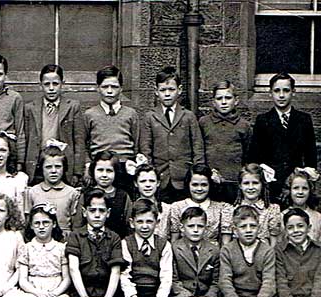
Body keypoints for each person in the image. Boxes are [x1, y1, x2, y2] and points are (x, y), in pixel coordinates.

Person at [139, 66, 205, 203]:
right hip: (160, 178)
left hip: (184, 178)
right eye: (163, 90)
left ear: (179, 90)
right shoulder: (150, 117)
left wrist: (196, 175)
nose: (167, 94)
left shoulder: (188, 116)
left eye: (171, 89)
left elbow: (197, 147)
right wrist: (151, 176)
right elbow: (146, 149)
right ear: (156, 91)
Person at [250, 73, 317, 201]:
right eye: (276, 91)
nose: (281, 95)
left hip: (296, 183)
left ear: (293, 92)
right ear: (270, 93)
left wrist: (308, 174)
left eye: (286, 90)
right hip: (271, 183)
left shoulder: (303, 119)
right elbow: (254, 155)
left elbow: (310, 154)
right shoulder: (263, 120)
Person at [83, 65, 139, 194]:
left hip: (125, 168)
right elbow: (83, 144)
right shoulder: (90, 114)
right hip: (99, 168)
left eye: (114, 87)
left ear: (121, 88)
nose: (109, 91)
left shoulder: (131, 114)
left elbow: (137, 143)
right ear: (98, 88)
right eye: (105, 87)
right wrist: (88, 167)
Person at [25, 64, 84, 185]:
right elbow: (25, 139)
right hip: (37, 167)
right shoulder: (30, 108)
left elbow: (79, 141)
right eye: (47, 84)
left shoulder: (73, 106)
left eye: (55, 84)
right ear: (40, 85)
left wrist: (77, 172)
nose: (51, 88)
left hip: (62, 166)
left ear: (62, 83)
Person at [200, 80, 252, 204]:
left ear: (236, 100)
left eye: (228, 98)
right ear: (213, 102)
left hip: (234, 184)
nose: (223, 102)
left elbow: (248, 155)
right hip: (210, 182)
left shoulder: (244, 126)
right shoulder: (204, 123)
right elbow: (199, 151)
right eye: (219, 98)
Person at [169, 164, 234, 246]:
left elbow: (225, 244)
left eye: (204, 185)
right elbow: (174, 241)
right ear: (188, 184)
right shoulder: (177, 207)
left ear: (210, 185)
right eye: (195, 185)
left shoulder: (222, 208)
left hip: (212, 255)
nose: (199, 189)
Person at [26, 144, 80, 236]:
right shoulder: (32, 192)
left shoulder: (72, 193)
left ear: (64, 168)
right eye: (48, 167)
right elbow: (28, 222)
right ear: (41, 168)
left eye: (58, 166)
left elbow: (76, 224)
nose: (53, 171)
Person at [78, 150, 131, 238]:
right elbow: (78, 224)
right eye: (100, 170)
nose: (104, 175)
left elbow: (128, 225)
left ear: (116, 172)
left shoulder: (123, 196)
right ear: (93, 170)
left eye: (109, 171)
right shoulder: (86, 195)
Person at [234, 163, 282, 246]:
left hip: (264, 255)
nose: (251, 187)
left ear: (262, 185)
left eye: (255, 183)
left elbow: (274, 241)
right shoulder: (232, 210)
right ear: (240, 185)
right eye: (246, 183)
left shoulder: (271, 210)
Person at [281, 168, 321, 242]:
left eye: (305, 188)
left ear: (310, 191)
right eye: (296, 188)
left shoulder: (318, 217)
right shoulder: (281, 216)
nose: (300, 192)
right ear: (289, 191)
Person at [133, 163, 170, 238]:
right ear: (136, 183)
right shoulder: (131, 208)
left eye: (152, 181)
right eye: (143, 181)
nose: (148, 185)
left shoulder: (167, 209)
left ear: (158, 183)